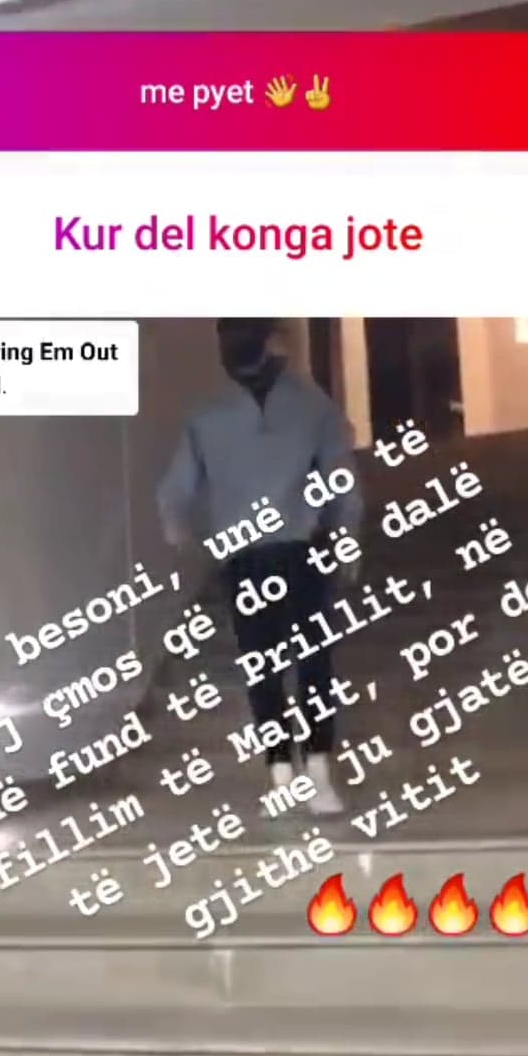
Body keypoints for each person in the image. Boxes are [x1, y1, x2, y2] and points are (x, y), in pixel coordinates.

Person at [157, 319, 363, 815]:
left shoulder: (208, 413)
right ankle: (319, 771)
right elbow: (341, 480)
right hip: (303, 548)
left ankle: (279, 771)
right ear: (275, 342)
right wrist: (347, 538)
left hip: (244, 556)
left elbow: (174, 490)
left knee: (262, 664)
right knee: (313, 663)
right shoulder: (313, 406)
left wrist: (182, 535)